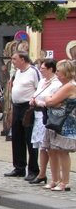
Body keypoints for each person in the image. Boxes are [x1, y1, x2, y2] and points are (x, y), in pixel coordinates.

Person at [3, 52, 41, 178]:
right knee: (17, 138)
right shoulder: (17, 72)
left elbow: (39, 88)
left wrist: (35, 102)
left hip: (28, 107)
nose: (12, 61)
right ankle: (19, 167)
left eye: (14, 59)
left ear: (23, 59)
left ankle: (33, 170)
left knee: (30, 139)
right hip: (17, 107)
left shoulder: (33, 71)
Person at [41, 60, 76, 191]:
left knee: (62, 151)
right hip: (54, 121)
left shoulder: (69, 86)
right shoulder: (62, 86)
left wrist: (48, 99)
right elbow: (51, 100)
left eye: (59, 71)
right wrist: (49, 99)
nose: (57, 73)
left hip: (64, 123)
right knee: (51, 149)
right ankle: (55, 179)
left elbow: (51, 101)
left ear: (66, 72)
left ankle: (65, 181)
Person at [28, 59, 62, 184]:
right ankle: (42, 173)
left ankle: (56, 176)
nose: (40, 70)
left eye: (42, 68)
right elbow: (37, 95)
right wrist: (33, 100)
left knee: (51, 148)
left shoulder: (57, 84)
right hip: (38, 116)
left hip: (49, 117)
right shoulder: (42, 81)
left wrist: (40, 102)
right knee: (42, 147)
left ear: (50, 69)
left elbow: (54, 101)